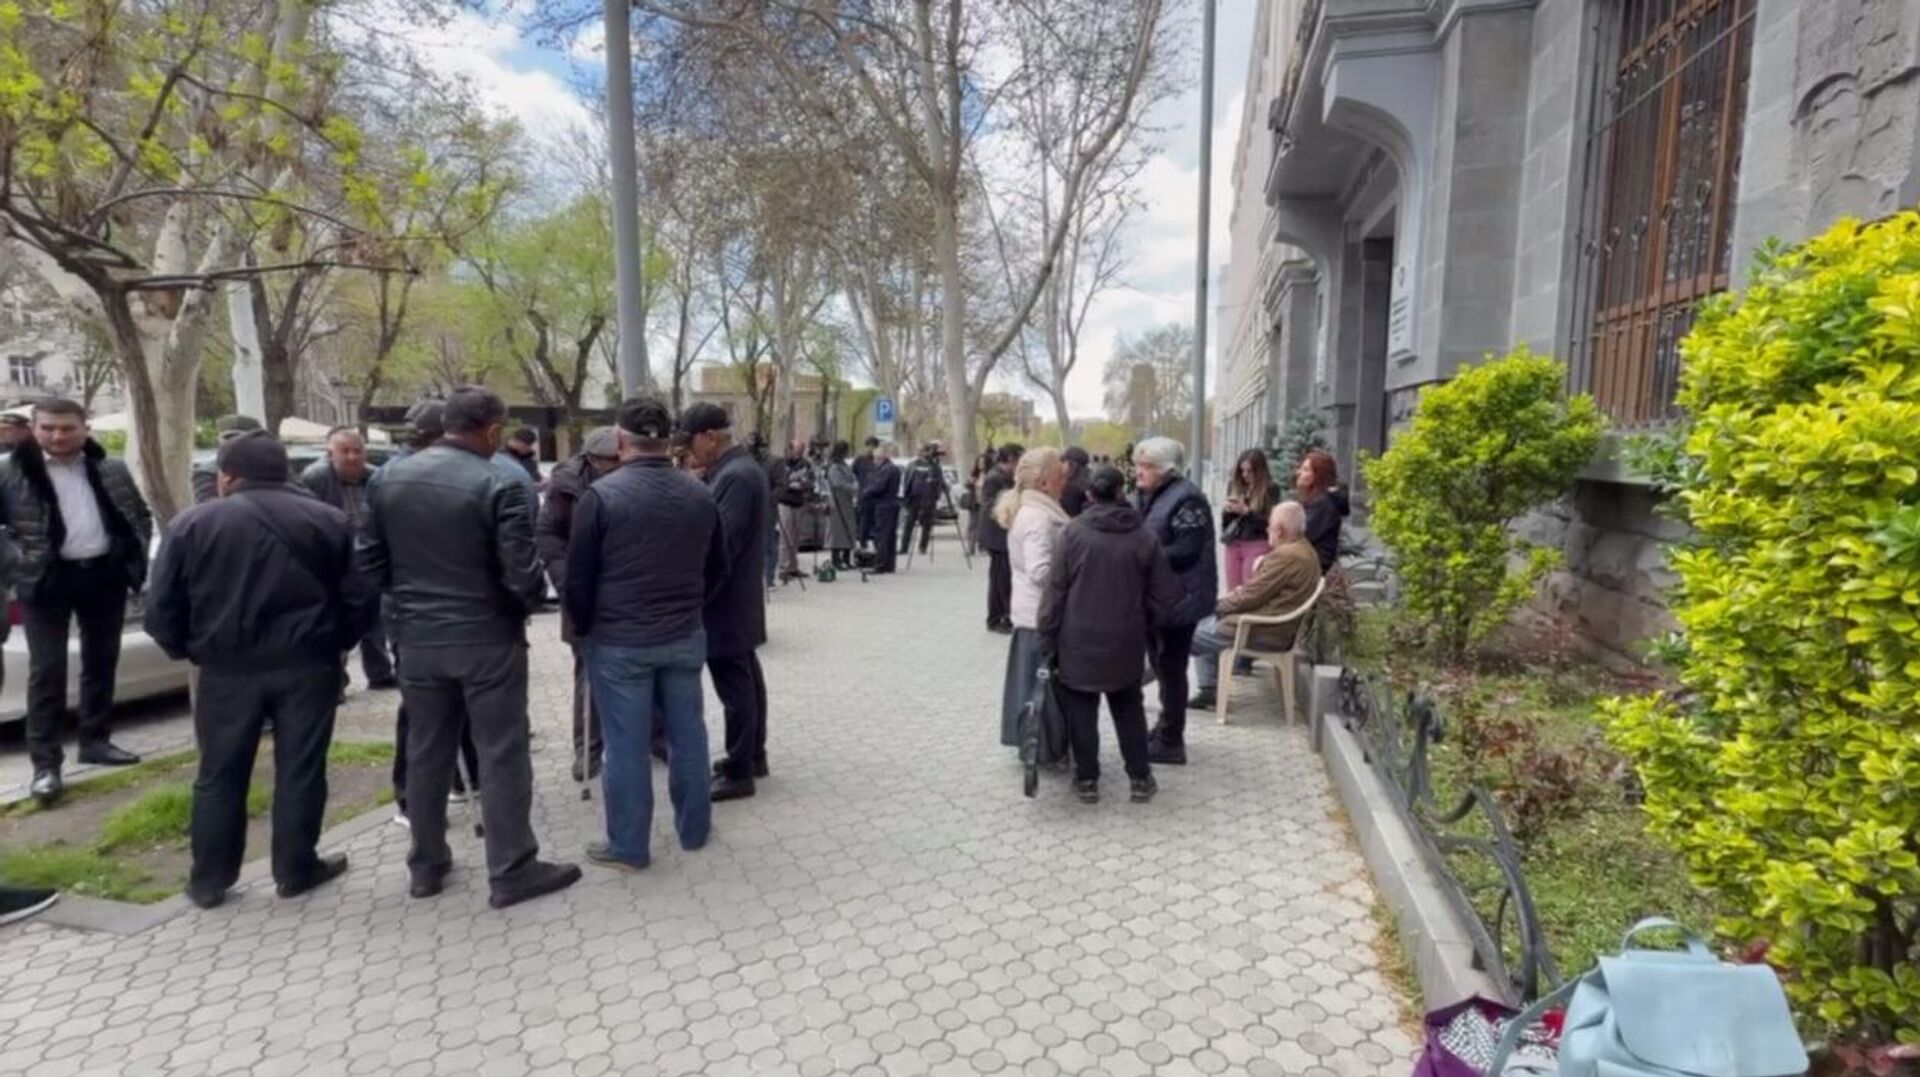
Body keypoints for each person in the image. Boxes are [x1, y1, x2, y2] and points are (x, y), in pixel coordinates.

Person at [361, 386, 580, 908]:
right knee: (501, 751)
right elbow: (520, 573)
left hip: (417, 639)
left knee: (426, 750)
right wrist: (524, 605)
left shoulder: (387, 478)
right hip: (487, 638)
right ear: (492, 430)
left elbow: (369, 563)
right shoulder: (499, 481)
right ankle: (511, 869)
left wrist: (410, 607)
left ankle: (426, 864)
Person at [145, 433, 379, 909]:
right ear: (285, 471)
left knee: (219, 772)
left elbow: (161, 607)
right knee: (301, 769)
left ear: (227, 477)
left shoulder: (192, 524)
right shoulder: (328, 519)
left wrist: (189, 650)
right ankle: (296, 868)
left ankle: (209, 880)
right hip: (308, 664)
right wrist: (337, 643)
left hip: (226, 669)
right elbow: (360, 596)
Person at [566, 398, 725, 869]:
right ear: (669, 440)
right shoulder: (700, 493)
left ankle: (629, 846)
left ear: (620, 439)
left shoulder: (600, 497)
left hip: (620, 641)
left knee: (625, 746)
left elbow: (578, 579)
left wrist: (584, 629)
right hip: (682, 634)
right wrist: (691, 606)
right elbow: (719, 567)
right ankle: (694, 829)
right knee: (689, 735)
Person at [0, 398, 153, 801]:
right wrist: (17, 561)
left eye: (67, 428)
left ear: (85, 428)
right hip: (45, 580)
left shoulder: (110, 467)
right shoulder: (9, 471)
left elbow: (138, 513)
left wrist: (132, 555)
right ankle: (46, 766)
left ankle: (95, 741)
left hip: (104, 574)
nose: (57, 436)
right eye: (48, 428)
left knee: (101, 662)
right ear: (33, 429)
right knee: (47, 672)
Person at [1038, 465, 1181, 804]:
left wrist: (1047, 637)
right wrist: (1145, 621)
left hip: (1077, 638)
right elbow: (1166, 594)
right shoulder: (1143, 536)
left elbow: (1055, 592)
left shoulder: (1071, 534)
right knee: (1128, 706)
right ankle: (1140, 778)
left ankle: (1087, 780)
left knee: (1081, 710)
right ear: (1121, 492)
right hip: (1125, 637)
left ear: (1090, 495)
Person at [372, 402, 481, 825]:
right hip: (417, 616)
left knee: (453, 705)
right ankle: (412, 800)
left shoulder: (392, 477)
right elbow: (374, 557)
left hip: (424, 614)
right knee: (421, 715)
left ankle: (463, 780)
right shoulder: (389, 478)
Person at [678, 403, 772, 802]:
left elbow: (722, 545)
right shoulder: (738, 470)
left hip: (726, 600)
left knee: (735, 687)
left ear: (709, 437)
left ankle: (740, 770)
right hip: (737, 597)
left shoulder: (735, 476)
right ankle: (751, 756)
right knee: (746, 679)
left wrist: (698, 591)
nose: (689, 452)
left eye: (690, 443)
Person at [537, 427, 621, 781]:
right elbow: (548, 535)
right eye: (603, 461)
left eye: (615, 460)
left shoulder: (634, 477)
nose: (609, 467)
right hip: (581, 589)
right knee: (587, 673)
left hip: (627, 591)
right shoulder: (566, 484)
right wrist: (566, 580)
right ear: (589, 459)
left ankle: (655, 738)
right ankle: (587, 749)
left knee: (644, 668)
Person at [1187, 502, 1323, 711]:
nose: (1267, 529)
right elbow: (1257, 592)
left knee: (1177, 636)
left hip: (1259, 630)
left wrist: (1216, 606)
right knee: (1195, 624)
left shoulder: (1286, 556)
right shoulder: (1305, 550)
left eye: (1270, 526)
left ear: (1279, 530)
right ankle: (1209, 689)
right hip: (1272, 628)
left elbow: (1250, 597)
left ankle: (1135, 682)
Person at [1132, 436, 1217, 767]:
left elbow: (1187, 550)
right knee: (1162, 665)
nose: (1139, 471)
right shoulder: (1148, 494)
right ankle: (1165, 727)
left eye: (1147, 466)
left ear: (1167, 469)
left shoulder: (1188, 498)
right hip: (1159, 598)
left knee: (1171, 668)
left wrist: (1141, 556)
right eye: (1138, 465)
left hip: (1182, 598)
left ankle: (1171, 740)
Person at [301, 426, 396, 690]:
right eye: (345, 451)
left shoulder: (375, 478)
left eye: (358, 451)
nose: (353, 457)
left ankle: (380, 672)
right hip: (334, 559)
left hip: (366, 557)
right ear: (330, 453)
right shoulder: (315, 478)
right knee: (335, 619)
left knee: (373, 616)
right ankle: (336, 680)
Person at [996, 447, 1069, 748]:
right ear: (1044, 482)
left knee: (1032, 684)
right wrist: (1072, 575)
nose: (1065, 480)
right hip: (1040, 614)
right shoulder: (1039, 517)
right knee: (1041, 687)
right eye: (1059, 475)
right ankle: (1041, 745)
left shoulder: (1032, 511)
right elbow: (1039, 571)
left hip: (1032, 613)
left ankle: (1037, 743)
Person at [1221, 448, 1281, 591]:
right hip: (1234, 542)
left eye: (1250, 471)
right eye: (1242, 471)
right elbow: (1227, 524)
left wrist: (1246, 512)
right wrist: (1228, 511)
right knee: (1233, 590)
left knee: (1250, 588)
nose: (1245, 475)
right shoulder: (1235, 485)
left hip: (1257, 542)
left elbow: (1268, 522)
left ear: (1259, 471)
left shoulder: (1270, 489)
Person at [977, 444, 1022, 633]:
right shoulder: (995, 478)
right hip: (997, 536)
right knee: (1001, 580)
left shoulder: (1003, 477)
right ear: (1011, 459)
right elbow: (993, 507)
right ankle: (1000, 617)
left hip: (1001, 535)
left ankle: (1000, 616)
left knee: (1000, 578)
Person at [192, 415, 265, 504]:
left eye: (241, 439)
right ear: (219, 442)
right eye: (228, 439)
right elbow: (209, 505)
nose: (234, 444)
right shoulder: (207, 473)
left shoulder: (269, 469)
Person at [1296, 449, 1350, 573]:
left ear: (1318, 475)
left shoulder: (1322, 504)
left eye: (1305, 469)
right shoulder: (1315, 499)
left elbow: (1302, 535)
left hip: (1312, 567)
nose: (1299, 472)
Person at [771, 440, 815, 583]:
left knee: (796, 538)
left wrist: (803, 484)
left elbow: (810, 482)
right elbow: (782, 482)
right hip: (785, 502)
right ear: (790, 450)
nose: (799, 454)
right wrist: (792, 483)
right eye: (797, 452)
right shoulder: (782, 464)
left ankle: (793, 567)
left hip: (799, 502)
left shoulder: (806, 464)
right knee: (785, 537)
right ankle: (783, 569)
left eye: (801, 451)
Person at [898, 443, 947, 555]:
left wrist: (936, 494)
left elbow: (939, 482)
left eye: (926, 451)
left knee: (926, 524)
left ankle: (923, 547)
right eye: (922, 451)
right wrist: (906, 495)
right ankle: (904, 547)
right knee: (909, 523)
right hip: (914, 499)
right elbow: (907, 480)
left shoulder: (934, 466)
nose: (924, 453)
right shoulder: (913, 464)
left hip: (929, 499)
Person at [864, 441, 903, 575]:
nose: (874, 462)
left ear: (880, 458)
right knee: (890, 536)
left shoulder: (886, 470)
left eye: (875, 459)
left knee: (882, 536)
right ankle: (889, 564)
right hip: (893, 504)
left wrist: (866, 492)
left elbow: (879, 487)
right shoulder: (894, 468)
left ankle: (880, 565)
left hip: (884, 505)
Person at [824, 440, 859, 570]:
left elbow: (854, 478)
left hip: (847, 502)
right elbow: (838, 483)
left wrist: (854, 485)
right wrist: (852, 486)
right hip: (837, 502)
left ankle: (846, 558)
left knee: (849, 529)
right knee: (838, 532)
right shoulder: (834, 467)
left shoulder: (844, 465)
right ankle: (836, 560)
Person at [853, 436, 881, 549]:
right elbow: (854, 473)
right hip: (864, 494)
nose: (871, 448)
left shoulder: (878, 460)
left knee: (876, 520)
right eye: (869, 446)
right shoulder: (860, 460)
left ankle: (876, 542)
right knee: (863, 520)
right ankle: (862, 542)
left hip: (876, 495)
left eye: (873, 446)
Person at [1059, 447, 1092, 518]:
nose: (1061, 465)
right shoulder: (1090, 482)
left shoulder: (1070, 489)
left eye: (1063, 462)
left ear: (1071, 465)